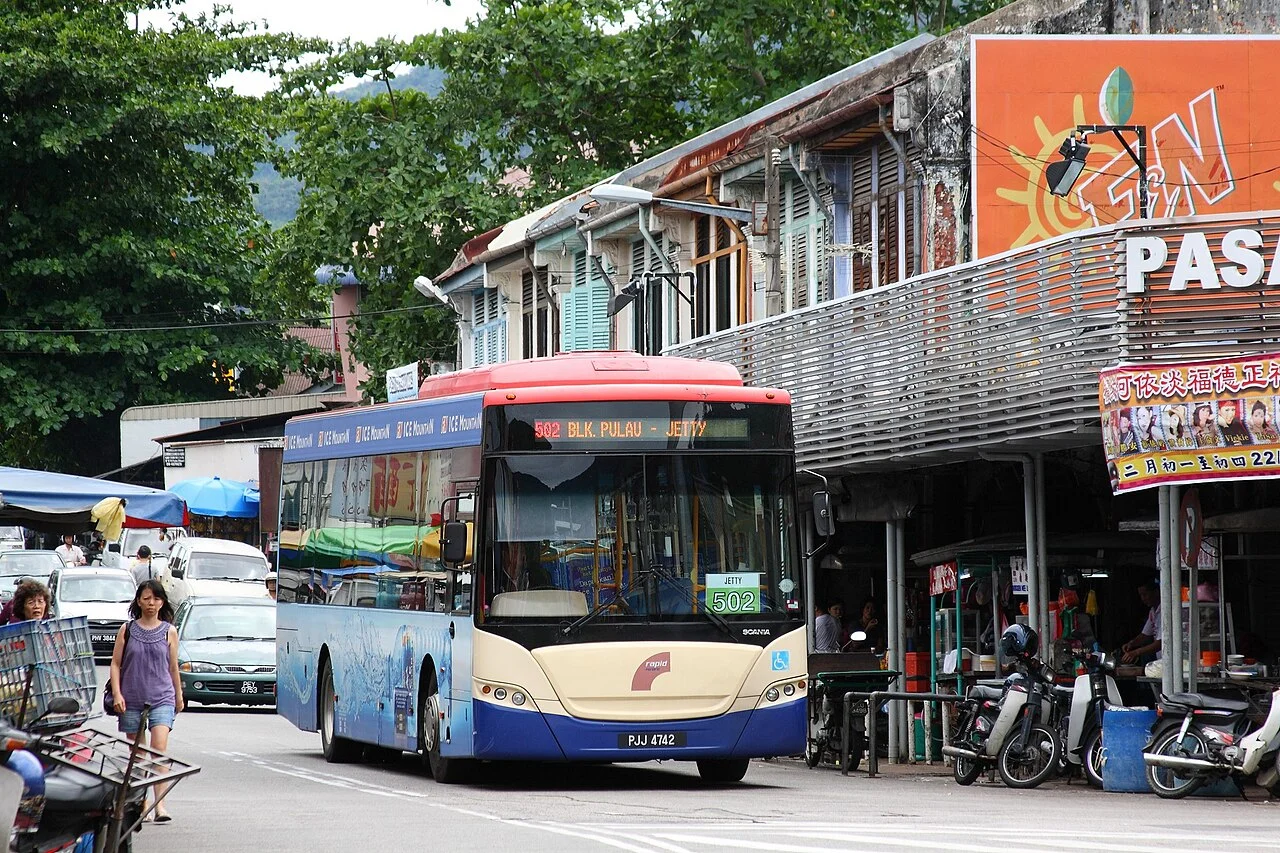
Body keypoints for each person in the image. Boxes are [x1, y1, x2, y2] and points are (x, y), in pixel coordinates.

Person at [110, 579, 183, 823]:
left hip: (162, 697)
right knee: (138, 755)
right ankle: (142, 802)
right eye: (146, 598)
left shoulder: (169, 631)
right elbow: (116, 664)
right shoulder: (127, 629)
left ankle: (160, 806)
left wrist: (179, 696)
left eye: (156, 598)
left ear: (162, 602)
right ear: (138, 601)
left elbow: (173, 667)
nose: (151, 603)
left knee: (159, 751)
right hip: (131, 698)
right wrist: (118, 694)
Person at [1120, 581, 1162, 664]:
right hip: (1161, 660)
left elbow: (1161, 643)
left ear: (1156, 592)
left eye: (1145, 594)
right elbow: (1145, 635)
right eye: (1141, 595)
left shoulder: (1165, 611)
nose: (1143, 599)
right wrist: (1132, 643)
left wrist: (1136, 652)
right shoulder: (1153, 611)